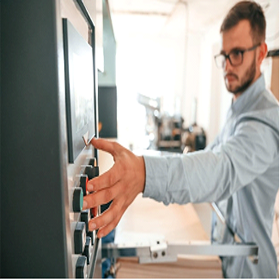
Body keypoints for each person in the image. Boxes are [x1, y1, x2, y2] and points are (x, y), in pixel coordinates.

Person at [83, 1, 279, 277]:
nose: (227, 66)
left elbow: (220, 170)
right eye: (224, 55)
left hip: (252, 270)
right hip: (228, 259)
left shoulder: (264, 120)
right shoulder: (240, 109)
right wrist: (144, 163)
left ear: (260, 54)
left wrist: (143, 172)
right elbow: (209, 158)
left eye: (237, 54)